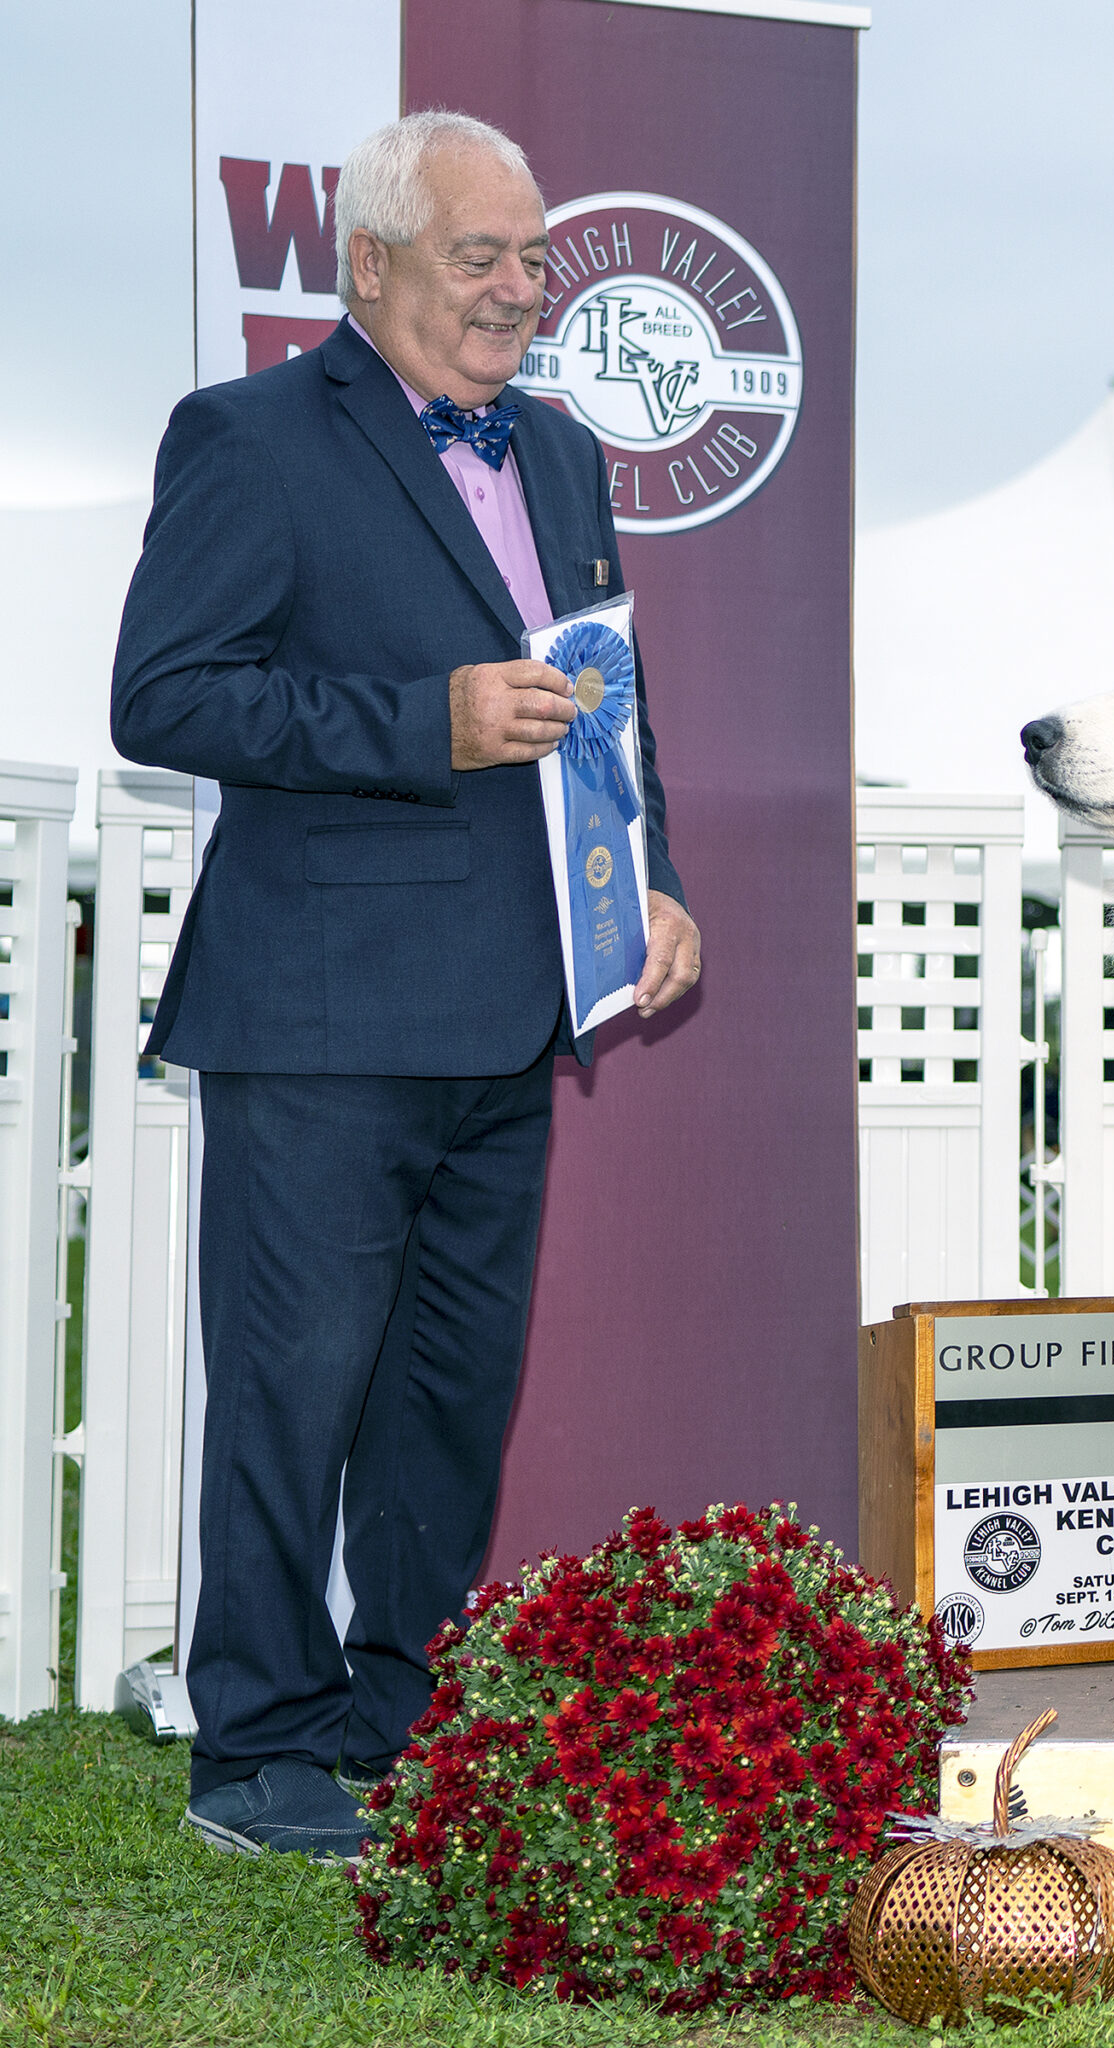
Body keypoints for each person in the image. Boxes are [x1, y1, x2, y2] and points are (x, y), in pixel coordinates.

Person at [111, 110, 701, 1861]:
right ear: (368, 265)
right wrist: (421, 721)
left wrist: (652, 881)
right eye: (479, 256)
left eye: (535, 258)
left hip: (515, 1009)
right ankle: (257, 1747)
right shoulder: (245, 436)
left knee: (448, 1397)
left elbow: (605, 699)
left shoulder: (566, 454)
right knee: (290, 1394)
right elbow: (166, 696)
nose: (520, 289)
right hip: (317, 1012)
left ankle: (406, 1716)